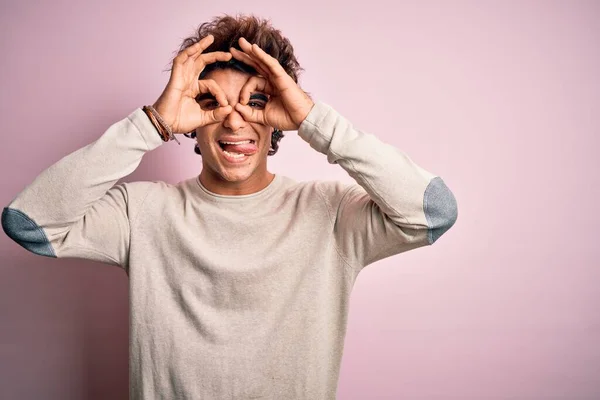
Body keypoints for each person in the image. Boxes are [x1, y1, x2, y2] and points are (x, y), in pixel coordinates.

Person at [1, 14, 458, 400]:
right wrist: (153, 123)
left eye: (256, 101)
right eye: (212, 102)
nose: (236, 119)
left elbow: (433, 212)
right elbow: (29, 222)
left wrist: (313, 120)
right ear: (191, 118)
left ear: (280, 114)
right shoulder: (141, 212)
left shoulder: (331, 213)